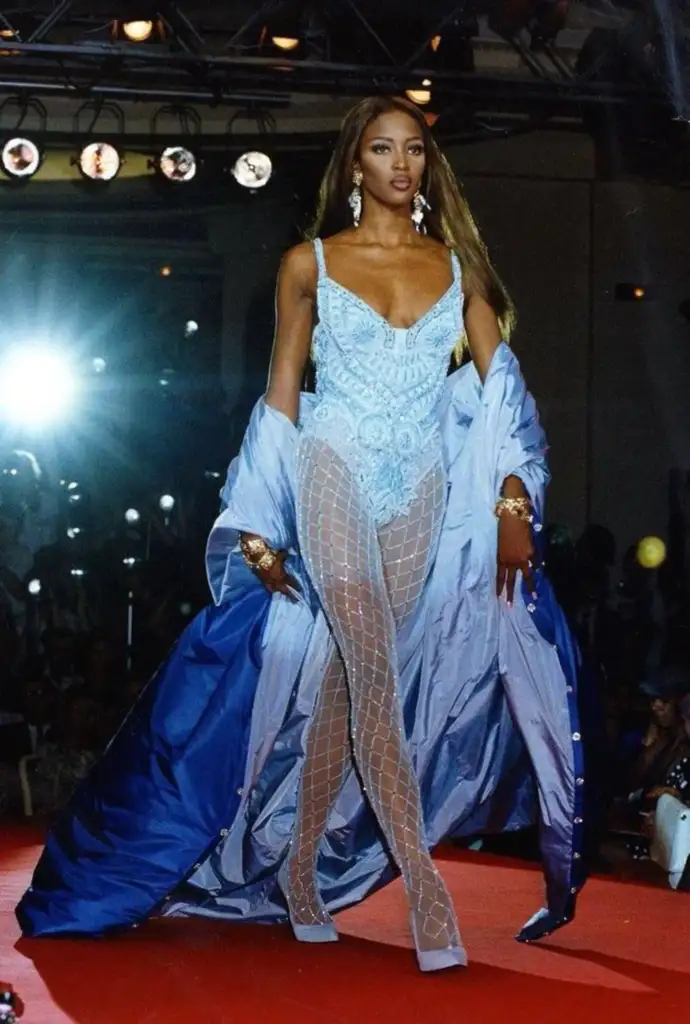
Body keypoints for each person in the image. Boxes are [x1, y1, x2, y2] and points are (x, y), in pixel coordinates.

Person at [17, 97, 585, 972]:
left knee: (348, 689)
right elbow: (282, 395)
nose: (402, 164)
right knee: (371, 663)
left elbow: (505, 394)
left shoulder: (460, 266)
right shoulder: (306, 265)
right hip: (329, 469)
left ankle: (302, 881)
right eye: (382, 150)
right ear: (354, 167)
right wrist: (254, 521)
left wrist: (513, 503)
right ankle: (426, 890)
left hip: (421, 489)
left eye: (415, 150)